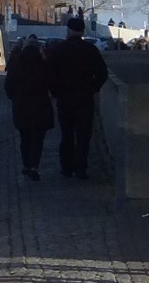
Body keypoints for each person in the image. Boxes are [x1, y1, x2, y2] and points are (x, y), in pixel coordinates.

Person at [45, 16, 108, 180]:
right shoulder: (90, 50)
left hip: (64, 97)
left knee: (66, 135)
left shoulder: (58, 50)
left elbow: (49, 74)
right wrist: (93, 88)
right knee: (83, 135)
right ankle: (81, 168)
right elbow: (102, 73)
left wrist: (55, 91)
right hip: (84, 97)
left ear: (68, 30)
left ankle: (66, 167)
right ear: (82, 31)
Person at [3, 41, 55, 180]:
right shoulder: (44, 67)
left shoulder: (16, 68)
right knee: (37, 139)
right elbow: (52, 85)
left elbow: (8, 87)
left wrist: (14, 98)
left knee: (24, 138)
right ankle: (34, 166)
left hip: (21, 107)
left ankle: (26, 165)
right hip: (40, 107)